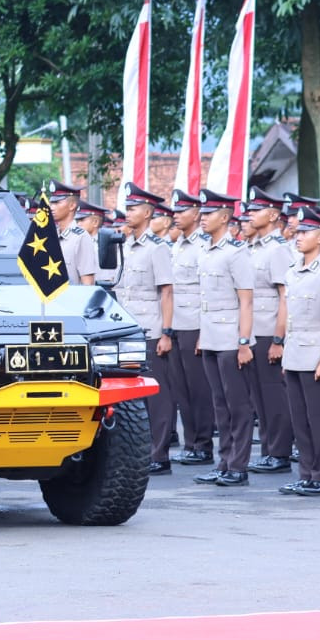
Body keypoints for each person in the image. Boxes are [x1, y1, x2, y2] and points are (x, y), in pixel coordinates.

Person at [275, 208, 320, 496]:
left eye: (305, 233)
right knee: (299, 419)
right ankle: (306, 473)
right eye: (298, 231)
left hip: (317, 354)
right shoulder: (292, 272)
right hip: (294, 354)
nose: (298, 236)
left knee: (319, 419)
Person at [192, 189, 256, 488]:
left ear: (225, 217)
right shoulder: (206, 250)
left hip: (231, 337)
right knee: (219, 403)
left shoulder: (236, 252)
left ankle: (238, 465)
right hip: (211, 336)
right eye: (202, 214)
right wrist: (203, 336)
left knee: (237, 404)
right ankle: (224, 461)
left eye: (208, 214)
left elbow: (246, 300)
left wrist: (244, 342)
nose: (203, 219)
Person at [116, 184, 175, 475]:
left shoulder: (157, 248)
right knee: (132, 394)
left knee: (157, 395)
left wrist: (166, 332)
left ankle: (159, 453)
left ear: (149, 213)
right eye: (127, 208)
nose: (128, 213)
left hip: (150, 330)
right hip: (127, 330)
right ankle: (140, 450)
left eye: (133, 208)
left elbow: (166, 292)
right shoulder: (124, 246)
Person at [244, 187, 295, 475]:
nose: (250, 214)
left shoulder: (277, 250)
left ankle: (279, 453)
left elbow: (285, 297)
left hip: (269, 331)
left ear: (273, 215)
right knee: (260, 397)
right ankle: (267, 450)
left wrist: (279, 338)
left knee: (273, 395)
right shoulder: (255, 248)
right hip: (254, 331)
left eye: (256, 210)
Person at [169, 189, 215, 466]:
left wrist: (203, 331)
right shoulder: (178, 245)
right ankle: (190, 442)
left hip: (195, 325)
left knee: (199, 389)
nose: (176, 216)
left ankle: (203, 444)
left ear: (196, 214)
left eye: (181, 211)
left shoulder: (203, 246)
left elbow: (207, 291)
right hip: (176, 324)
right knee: (181, 389)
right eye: (174, 211)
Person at [46, 181, 98, 285]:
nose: (51, 207)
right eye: (51, 203)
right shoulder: (51, 236)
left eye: (57, 203)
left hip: (72, 300)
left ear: (72, 205)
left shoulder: (80, 237)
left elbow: (88, 284)